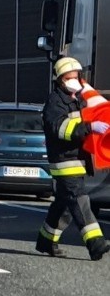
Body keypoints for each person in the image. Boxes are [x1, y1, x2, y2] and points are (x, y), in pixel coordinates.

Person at [35, 56, 110, 260]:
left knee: (64, 206)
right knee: (79, 200)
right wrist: (88, 127)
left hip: (77, 160)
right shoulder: (55, 102)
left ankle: (46, 241)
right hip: (64, 162)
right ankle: (96, 243)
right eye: (70, 77)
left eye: (76, 77)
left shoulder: (76, 100)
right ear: (60, 80)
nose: (74, 80)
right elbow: (59, 129)